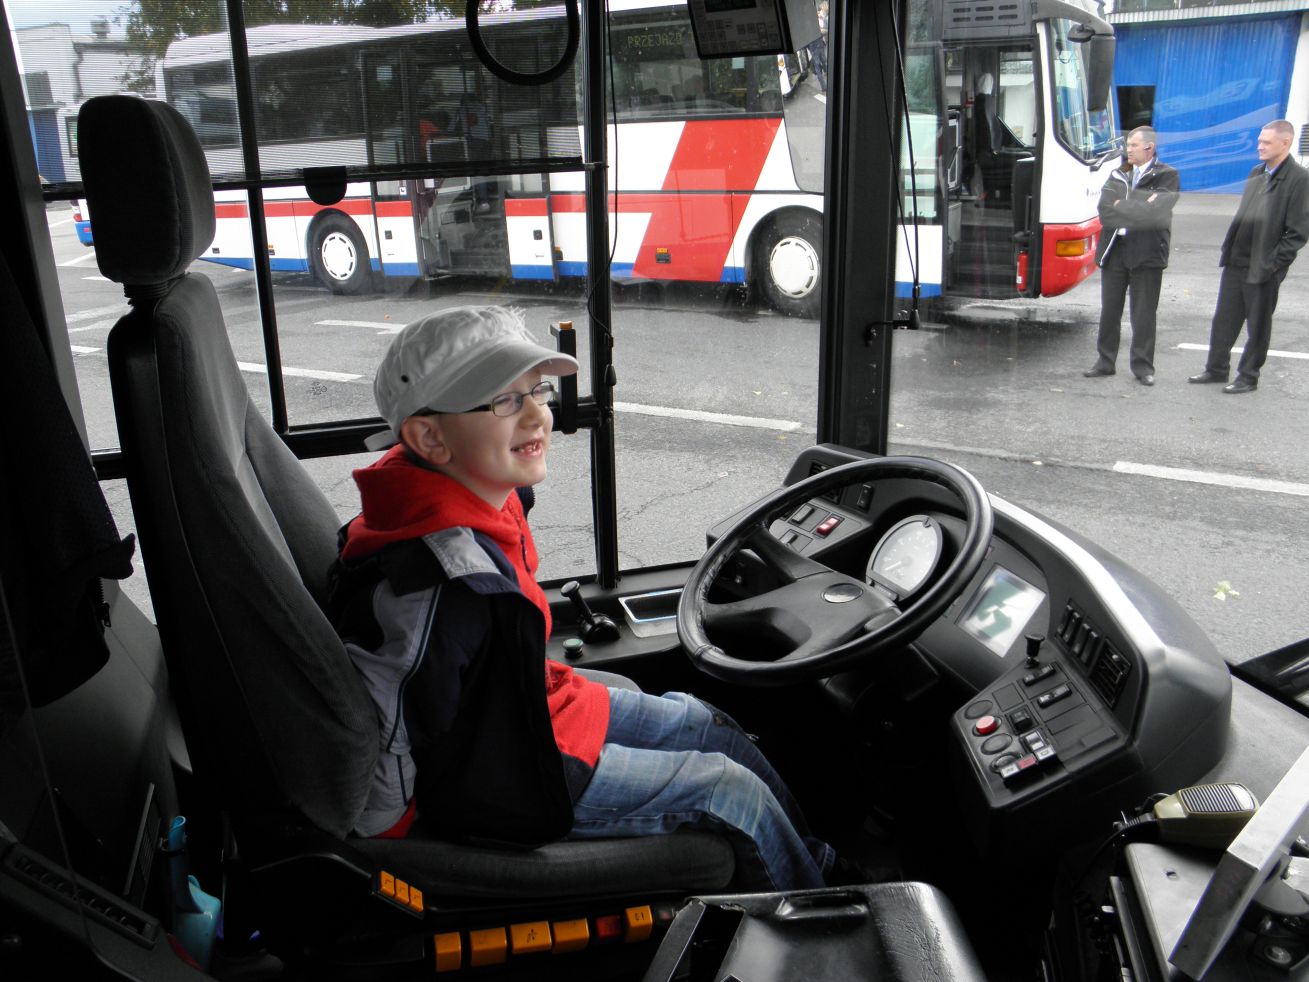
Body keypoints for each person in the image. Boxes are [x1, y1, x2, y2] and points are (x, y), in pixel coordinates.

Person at [327, 305, 835, 892]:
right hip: (510, 774)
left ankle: (819, 866)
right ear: (430, 438)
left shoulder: (480, 495)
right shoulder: (439, 581)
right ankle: (818, 910)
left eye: (536, 391)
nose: (538, 414)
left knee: (708, 723)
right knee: (729, 790)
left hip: (529, 710)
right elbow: (389, 714)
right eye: (504, 401)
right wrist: (394, 836)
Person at [1188, 119, 1309, 393]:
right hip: (1237, 260)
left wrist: (1273, 264)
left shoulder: (1299, 179)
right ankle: (1216, 369)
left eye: (1266, 142)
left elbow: (1298, 233)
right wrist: (1229, 250)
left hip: (1264, 266)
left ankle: (1248, 377)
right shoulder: (1257, 171)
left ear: (1285, 143)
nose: (1259, 146)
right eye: (1259, 141)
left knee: (1258, 325)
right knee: (1224, 319)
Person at [1084, 126, 1179, 386]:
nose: (1128, 150)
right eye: (1128, 145)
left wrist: (1122, 206)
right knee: (1110, 310)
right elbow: (1105, 211)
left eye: (1134, 145)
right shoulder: (1118, 174)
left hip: (1148, 253)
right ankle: (1105, 361)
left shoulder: (1167, 176)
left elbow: (1155, 213)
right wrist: (1138, 206)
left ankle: (1143, 367)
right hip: (1116, 249)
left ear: (1149, 147)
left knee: (1143, 313)